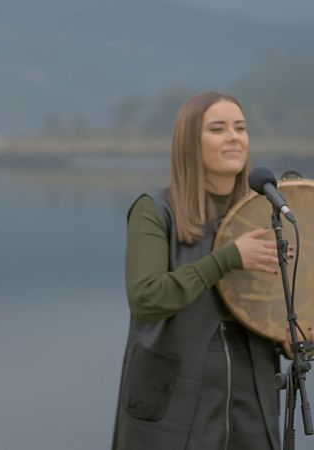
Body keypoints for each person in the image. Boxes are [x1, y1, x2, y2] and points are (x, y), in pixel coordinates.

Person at [113, 91, 298, 450]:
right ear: (189, 144)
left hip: (252, 402)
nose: (233, 136)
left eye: (240, 128)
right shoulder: (155, 211)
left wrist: (291, 336)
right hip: (171, 404)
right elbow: (145, 299)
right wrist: (227, 258)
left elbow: (280, 302)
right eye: (218, 128)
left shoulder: (266, 213)